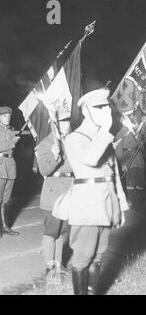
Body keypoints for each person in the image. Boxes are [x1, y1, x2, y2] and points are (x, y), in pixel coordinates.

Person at [62, 88, 129, 295]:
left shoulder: (103, 137)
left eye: (106, 108)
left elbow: (114, 172)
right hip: (86, 204)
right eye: (98, 108)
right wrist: (105, 131)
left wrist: (120, 204)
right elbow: (90, 159)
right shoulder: (75, 138)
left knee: (99, 254)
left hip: (106, 203)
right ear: (85, 111)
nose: (104, 113)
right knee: (83, 255)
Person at [36, 114, 73, 280]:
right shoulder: (45, 144)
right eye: (62, 122)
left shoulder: (71, 141)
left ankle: (59, 264)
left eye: (67, 121)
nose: (66, 125)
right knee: (52, 232)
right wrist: (55, 155)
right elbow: (44, 170)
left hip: (69, 191)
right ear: (54, 124)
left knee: (63, 232)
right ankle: (50, 267)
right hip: (53, 193)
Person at [0, 106, 20, 237]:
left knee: (6, 200)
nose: (7, 118)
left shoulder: (12, 130)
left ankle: (5, 226)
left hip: (10, 167)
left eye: (9, 116)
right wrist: (13, 142)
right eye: (4, 116)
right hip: (0, 167)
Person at [114, 124, 146, 208]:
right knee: (131, 182)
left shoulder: (137, 131)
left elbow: (141, 145)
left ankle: (138, 201)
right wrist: (122, 163)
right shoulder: (121, 133)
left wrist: (142, 142)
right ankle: (134, 203)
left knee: (140, 182)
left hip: (138, 158)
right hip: (128, 159)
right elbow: (118, 150)